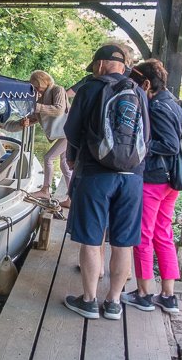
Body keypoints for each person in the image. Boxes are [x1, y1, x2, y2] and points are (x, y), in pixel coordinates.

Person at [63, 44, 150, 320]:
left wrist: (73, 159)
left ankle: (89, 301)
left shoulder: (90, 88)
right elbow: (148, 136)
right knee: (124, 241)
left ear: (100, 64)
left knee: (91, 238)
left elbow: (72, 132)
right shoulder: (139, 93)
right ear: (123, 67)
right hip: (133, 177)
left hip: (95, 173)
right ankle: (113, 302)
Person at [120, 59, 182, 314]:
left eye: (137, 86)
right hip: (172, 181)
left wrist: (142, 143)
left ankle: (144, 293)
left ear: (147, 84)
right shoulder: (174, 103)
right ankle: (168, 295)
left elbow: (170, 144)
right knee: (163, 234)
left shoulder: (156, 106)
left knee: (143, 235)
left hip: (156, 180)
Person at [23, 70, 71, 206]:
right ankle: (71, 198)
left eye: (37, 86)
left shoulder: (58, 90)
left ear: (43, 81)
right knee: (65, 164)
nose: (36, 89)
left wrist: (34, 106)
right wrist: (24, 122)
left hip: (68, 132)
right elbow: (36, 117)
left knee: (48, 158)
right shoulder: (40, 99)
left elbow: (58, 110)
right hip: (64, 133)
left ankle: (45, 190)